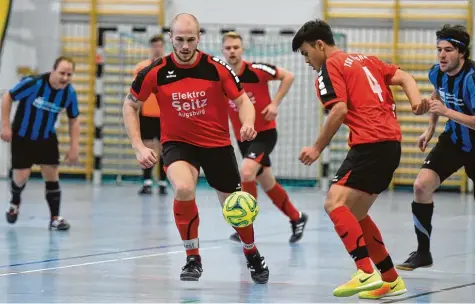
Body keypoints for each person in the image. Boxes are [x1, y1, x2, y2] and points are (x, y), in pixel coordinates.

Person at [122, 13, 269, 284]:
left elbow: (242, 100)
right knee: (184, 188)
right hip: (178, 145)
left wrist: (248, 122)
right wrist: (138, 146)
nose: (186, 46)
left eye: (191, 39)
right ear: (171, 38)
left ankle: (251, 251)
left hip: (217, 146)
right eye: (180, 40)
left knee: (234, 208)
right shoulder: (155, 71)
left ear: (199, 38)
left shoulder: (216, 67)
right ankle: (193, 258)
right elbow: (130, 104)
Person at [292, 19, 429, 299]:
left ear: (320, 45)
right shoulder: (367, 59)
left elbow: (339, 110)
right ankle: (390, 279)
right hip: (391, 144)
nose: (307, 61)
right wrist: (415, 102)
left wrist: (317, 148)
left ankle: (364, 270)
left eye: (306, 53)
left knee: (334, 203)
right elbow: (404, 77)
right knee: (356, 214)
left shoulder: (330, 67)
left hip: (370, 144)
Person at [396, 24, 474, 271]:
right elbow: (437, 95)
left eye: (448, 50)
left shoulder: (472, 80)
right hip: (453, 141)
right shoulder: (437, 74)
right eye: (438, 49)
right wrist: (430, 128)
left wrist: (448, 112)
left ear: (462, 53)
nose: (441, 55)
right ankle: (422, 252)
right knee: (421, 186)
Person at [221, 31, 308, 243]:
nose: (232, 51)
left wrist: (274, 103)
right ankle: (297, 218)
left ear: (242, 49)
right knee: (268, 183)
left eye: (236, 47)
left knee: (246, 171)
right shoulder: (221, 77)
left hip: (264, 134)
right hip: (244, 138)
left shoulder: (257, 70)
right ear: (223, 51)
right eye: (228, 48)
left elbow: (288, 75)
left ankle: (245, 225)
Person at [1, 56, 80, 230]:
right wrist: (5, 126)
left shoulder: (69, 93)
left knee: (52, 176)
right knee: (21, 178)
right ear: (53, 70)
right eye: (62, 73)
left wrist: (74, 147)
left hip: (46, 138)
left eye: (69, 74)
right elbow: (8, 96)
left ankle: (55, 218)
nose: (65, 78)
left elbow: (74, 119)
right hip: (22, 137)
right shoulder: (34, 83)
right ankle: (15, 202)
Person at [134, 34, 168, 196]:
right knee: (147, 149)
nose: (157, 49)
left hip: (164, 114)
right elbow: (136, 92)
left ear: (163, 47)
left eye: (159, 46)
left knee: (163, 150)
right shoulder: (142, 67)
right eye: (154, 46)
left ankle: (162, 182)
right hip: (146, 113)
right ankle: (147, 181)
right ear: (151, 47)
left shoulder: (169, 67)